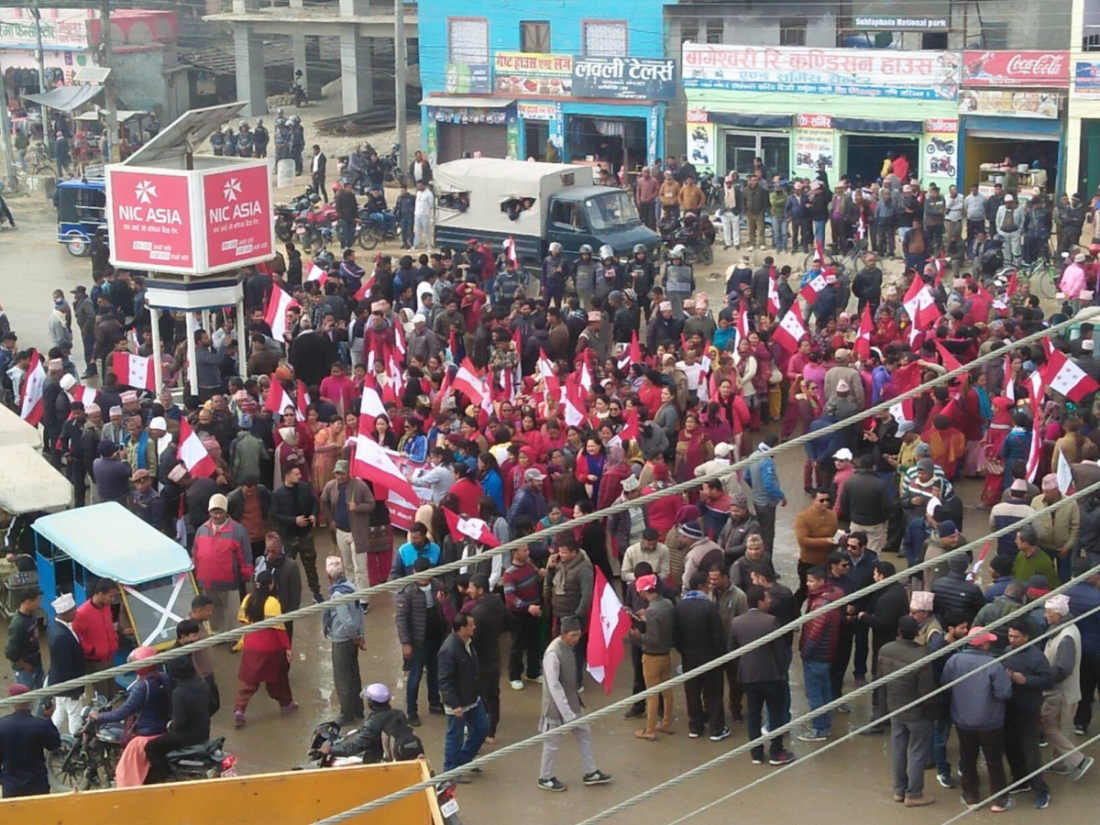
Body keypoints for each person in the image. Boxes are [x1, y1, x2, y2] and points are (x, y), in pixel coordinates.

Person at [940, 626, 1013, 812]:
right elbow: (1004, 693)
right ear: (984, 644)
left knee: (967, 758)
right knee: (994, 760)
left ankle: (971, 797)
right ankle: (999, 800)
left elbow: (946, 686)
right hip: (990, 722)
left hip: (963, 720)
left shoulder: (954, 660)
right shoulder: (994, 664)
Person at [537, 614, 612, 792]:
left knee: (584, 733)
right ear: (563, 634)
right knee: (552, 744)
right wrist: (568, 715)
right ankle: (545, 777)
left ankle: (590, 772)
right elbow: (554, 686)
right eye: (573, 635)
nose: (576, 639)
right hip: (556, 708)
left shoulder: (569, 647)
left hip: (573, 703)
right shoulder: (553, 653)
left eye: (578, 635)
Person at [728, 585, 795, 766]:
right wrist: (782, 671)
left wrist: (742, 667)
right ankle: (776, 751)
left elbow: (732, 651)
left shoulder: (736, 622)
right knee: (775, 714)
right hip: (771, 675)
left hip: (749, 676)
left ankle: (756, 753)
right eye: (767, 598)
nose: (770, 601)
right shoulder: (771, 622)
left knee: (753, 714)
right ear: (760, 601)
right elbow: (779, 652)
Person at [876, 615, 937, 807]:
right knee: (917, 752)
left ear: (899, 631)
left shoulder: (885, 649)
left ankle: (899, 790)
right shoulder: (922, 657)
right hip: (917, 712)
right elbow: (927, 693)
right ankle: (914, 793)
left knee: (898, 749)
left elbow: (880, 681)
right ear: (918, 633)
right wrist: (933, 714)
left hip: (895, 707)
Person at [90, 646, 170, 787]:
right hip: (163, 729)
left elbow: (123, 712)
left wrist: (100, 716)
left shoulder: (142, 687)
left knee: (123, 773)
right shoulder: (163, 678)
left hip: (146, 734)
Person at [1040, 594, 1094, 781]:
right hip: (1064, 690)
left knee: (1048, 726)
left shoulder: (1065, 637)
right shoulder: (1066, 630)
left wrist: (1043, 679)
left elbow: (1063, 668)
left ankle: (1078, 760)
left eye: (1048, 613)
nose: (1045, 615)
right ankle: (1059, 764)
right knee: (1059, 728)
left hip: (1059, 691)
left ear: (1058, 615)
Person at [233, 571, 296, 727]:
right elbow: (279, 628)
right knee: (278, 679)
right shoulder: (273, 602)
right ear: (270, 585)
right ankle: (286, 705)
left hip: (251, 645)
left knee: (248, 682)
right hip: (270, 647)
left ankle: (239, 711)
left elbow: (243, 621)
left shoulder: (247, 599)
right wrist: (288, 648)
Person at [1003, 617, 1053, 810]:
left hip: (1028, 710)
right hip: (1009, 708)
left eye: (1015, 636)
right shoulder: (1008, 652)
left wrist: (1026, 680)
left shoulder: (1037, 657)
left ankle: (1041, 790)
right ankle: (1020, 779)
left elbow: (1048, 680)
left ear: (1026, 637)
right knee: (1010, 746)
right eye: (1009, 636)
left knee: (1031, 751)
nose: (1011, 640)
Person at [396, 557, 453, 726]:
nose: (424, 577)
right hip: (417, 641)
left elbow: (444, 608)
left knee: (435, 673)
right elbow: (401, 619)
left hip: (436, 637)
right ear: (414, 572)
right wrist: (406, 643)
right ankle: (411, 711)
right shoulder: (407, 591)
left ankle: (434, 703)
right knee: (415, 677)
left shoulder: (437, 585)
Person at [675, 570, 729, 741]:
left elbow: (675, 634)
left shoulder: (680, 606)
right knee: (713, 693)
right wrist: (721, 656)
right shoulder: (709, 607)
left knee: (692, 692)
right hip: (710, 657)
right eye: (707, 584)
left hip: (688, 656)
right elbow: (717, 635)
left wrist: (683, 651)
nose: (709, 587)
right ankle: (716, 728)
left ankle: (695, 726)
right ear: (701, 586)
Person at [145, 657, 212, 784]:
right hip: (204, 732)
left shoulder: (179, 692)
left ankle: (165, 778)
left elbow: (180, 721)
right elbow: (213, 705)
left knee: (151, 748)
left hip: (185, 737)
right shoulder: (202, 684)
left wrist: (171, 725)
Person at [192, 493, 253, 633]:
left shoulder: (238, 531)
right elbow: (195, 553)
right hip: (207, 581)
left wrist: (246, 574)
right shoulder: (201, 530)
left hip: (229, 582)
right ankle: (217, 635)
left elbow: (245, 556)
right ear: (209, 512)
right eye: (214, 512)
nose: (218, 516)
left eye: (221, 512)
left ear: (226, 512)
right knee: (213, 613)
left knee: (232, 613)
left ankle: (234, 637)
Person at [438, 612, 489, 777]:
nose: (474, 627)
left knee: (482, 728)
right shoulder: (449, 650)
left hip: (472, 698)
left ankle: (464, 760)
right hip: (458, 703)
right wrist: (454, 705)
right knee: (455, 737)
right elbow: (445, 681)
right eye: (471, 625)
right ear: (462, 629)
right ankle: (450, 771)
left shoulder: (468, 643)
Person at [798, 566, 844, 743]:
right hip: (826, 654)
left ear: (821, 582)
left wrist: (805, 652)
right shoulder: (831, 597)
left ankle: (819, 729)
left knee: (815, 694)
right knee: (825, 691)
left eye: (810, 581)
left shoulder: (821, 604)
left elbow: (814, 633)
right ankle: (825, 725)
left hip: (816, 655)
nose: (807, 584)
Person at [323, 556, 368, 726]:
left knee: (342, 679)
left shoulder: (337, 594)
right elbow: (359, 614)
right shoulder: (351, 588)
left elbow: (346, 619)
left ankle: (347, 714)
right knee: (354, 675)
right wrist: (360, 635)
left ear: (329, 577)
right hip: (353, 639)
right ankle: (358, 709)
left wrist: (356, 637)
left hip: (342, 640)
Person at [632, 573, 676, 740]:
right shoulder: (667, 604)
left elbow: (652, 638)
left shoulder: (652, 611)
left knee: (652, 693)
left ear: (643, 592)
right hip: (666, 654)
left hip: (652, 657)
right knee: (666, 689)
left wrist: (638, 635)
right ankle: (667, 722)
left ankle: (649, 729)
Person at [272, 464, 322, 603]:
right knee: (286, 568)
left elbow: (314, 503)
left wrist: (313, 514)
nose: (300, 476)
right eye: (296, 474)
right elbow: (275, 515)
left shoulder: (304, 488)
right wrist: (293, 520)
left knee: (310, 565)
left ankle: (316, 593)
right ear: (287, 476)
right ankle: (285, 595)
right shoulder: (278, 494)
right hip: (288, 537)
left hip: (305, 535)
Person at [0, 684, 61, 798]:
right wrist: (48, 719)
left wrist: (4, 780)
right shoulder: (40, 724)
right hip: (37, 784)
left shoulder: (2, 725)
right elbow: (55, 744)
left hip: (11, 786)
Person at [324, 683, 405, 763]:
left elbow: (353, 748)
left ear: (371, 703)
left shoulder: (372, 724)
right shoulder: (399, 714)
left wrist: (330, 749)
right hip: (392, 752)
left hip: (377, 758)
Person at [503, 542, 543, 690]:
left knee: (534, 643)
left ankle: (533, 672)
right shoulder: (509, 574)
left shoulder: (530, 565)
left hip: (534, 611)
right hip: (518, 615)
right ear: (514, 552)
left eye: (527, 549)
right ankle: (514, 676)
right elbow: (510, 597)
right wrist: (527, 607)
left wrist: (541, 575)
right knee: (517, 646)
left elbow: (537, 579)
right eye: (524, 550)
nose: (528, 553)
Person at [72, 577, 121, 698]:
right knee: (101, 697)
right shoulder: (82, 613)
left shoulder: (106, 607)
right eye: (110, 596)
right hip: (95, 662)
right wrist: (92, 650)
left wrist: (114, 640)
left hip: (109, 657)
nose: (113, 599)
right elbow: (75, 637)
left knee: (113, 694)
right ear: (100, 594)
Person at [46, 593, 85, 735]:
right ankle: (76, 743)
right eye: (74, 610)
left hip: (59, 682)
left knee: (60, 712)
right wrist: (74, 690)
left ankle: (50, 737)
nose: (76, 612)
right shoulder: (61, 635)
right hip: (68, 686)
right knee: (75, 716)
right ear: (65, 613)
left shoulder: (54, 627)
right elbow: (65, 667)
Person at [5, 587, 43, 690]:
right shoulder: (17, 625)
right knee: (26, 699)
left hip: (36, 662)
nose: (39, 603)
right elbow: (10, 652)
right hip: (24, 670)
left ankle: (44, 706)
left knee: (44, 694)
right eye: (37, 601)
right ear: (28, 602)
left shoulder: (31, 614)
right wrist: (25, 665)